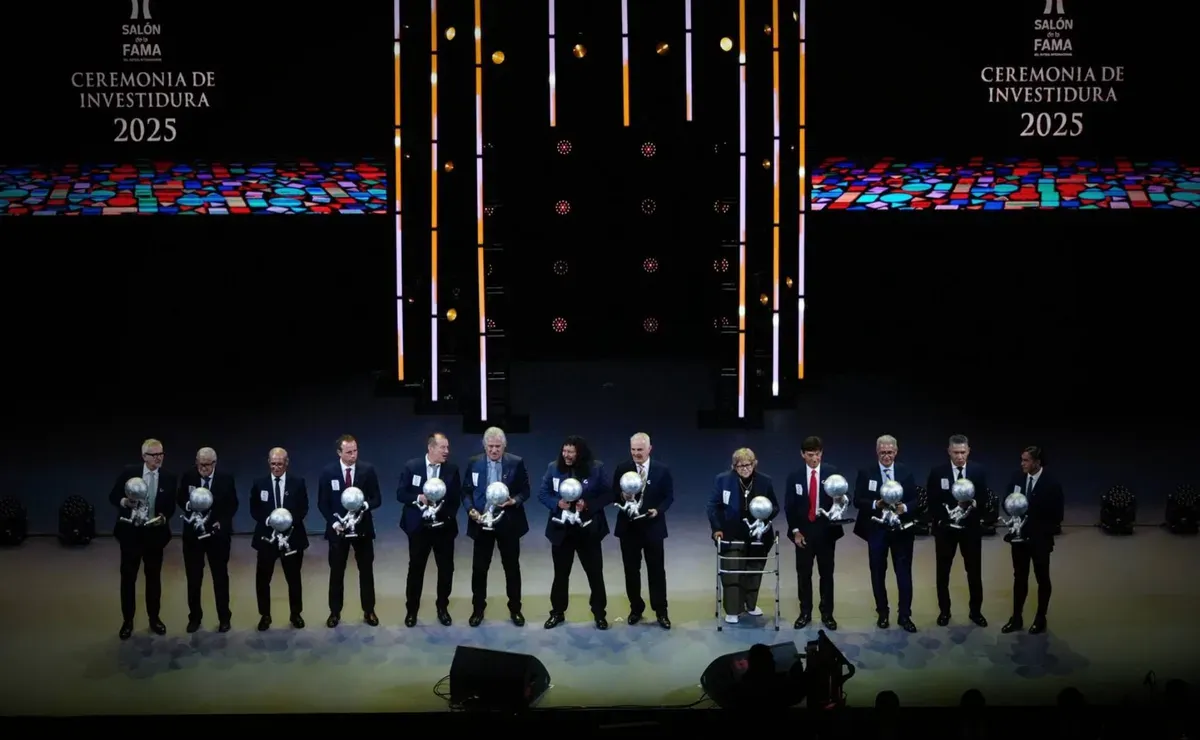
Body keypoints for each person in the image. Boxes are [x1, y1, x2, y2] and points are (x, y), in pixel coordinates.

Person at [538, 435, 610, 629]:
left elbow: (607, 494)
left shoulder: (596, 468)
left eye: (571, 452)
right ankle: (557, 613)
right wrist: (557, 504)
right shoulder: (553, 468)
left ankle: (599, 614)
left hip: (588, 531)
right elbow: (543, 493)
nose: (566, 455)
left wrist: (587, 505)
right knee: (560, 575)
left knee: (595, 574)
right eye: (564, 451)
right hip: (562, 532)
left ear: (580, 453)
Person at [462, 427, 530, 627]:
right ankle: (478, 610)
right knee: (479, 569)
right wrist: (470, 511)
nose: (494, 450)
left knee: (511, 568)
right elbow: (466, 491)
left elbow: (525, 490)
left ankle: (515, 609)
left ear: (504, 446)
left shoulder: (515, 463)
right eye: (490, 446)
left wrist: (513, 501)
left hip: (508, 524)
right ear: (484, 446)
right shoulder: (474, 463)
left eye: (497, 447)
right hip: (482, 522)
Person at [110, 438, 177, 639]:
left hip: (154, 536)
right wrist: (125, 502)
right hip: (131, 534)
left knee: (153, 579)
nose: (159, 458)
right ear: (144, 457)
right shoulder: (129, 472)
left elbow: (171, 506)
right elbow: (113, 496)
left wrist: (164, 517)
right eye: (154, 455)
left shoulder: (169, 477)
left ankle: (154, 618)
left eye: (161, 454)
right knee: (128, 579)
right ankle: (127, 621)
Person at [852, 434, 918, 632]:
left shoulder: (905, 472)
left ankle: (905, 616)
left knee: (904, 574)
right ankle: (883, 613)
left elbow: (916, 500)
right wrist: (875, 504)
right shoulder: (866, 472)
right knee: (878, 573)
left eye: (890, 452)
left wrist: (904, 508)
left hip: (902, 532)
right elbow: (857, 500)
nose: (886, 456)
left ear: (896, 452)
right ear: (877, 453)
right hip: (877, 530)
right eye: (883, 453)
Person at [706, 448, 780, 625]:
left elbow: (774, 507)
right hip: (732, 533)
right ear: (734, 467)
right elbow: (712, 506)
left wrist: (765, 519)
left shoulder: (765, 481)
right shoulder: (723, 480)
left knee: (754, 570)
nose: (745, 468)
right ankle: (733, 610)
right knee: (732, 572)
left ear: (755, 463)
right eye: (740, 466)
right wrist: (717, 528)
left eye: (748, 464)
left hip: (758, 535)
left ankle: (750, 605)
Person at [317, 434, 383, 628]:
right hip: (338, 531)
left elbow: (377, 498)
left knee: (366, 572)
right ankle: (334, 612)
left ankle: (369, 610)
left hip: (362, 529)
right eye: (348, 452)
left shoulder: (367, 470)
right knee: (337, 572)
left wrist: (364, 505)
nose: (353, 455)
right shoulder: (328, 472)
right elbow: (322, 502)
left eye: (355, 451)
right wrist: (333, 523)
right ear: (339, 453)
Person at [611, 432, 674, 629]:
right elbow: (613, 493)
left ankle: (661, 611)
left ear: (649, 449)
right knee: (631, 571)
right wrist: (622, 495)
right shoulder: (623, 468)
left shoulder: (662, 470)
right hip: (628, 529)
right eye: (633, 450)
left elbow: (669, 496)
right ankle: (636, 609)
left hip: (653, 528)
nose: (636, 453)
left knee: (656, 571)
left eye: (640, 449)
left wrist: (659, 510)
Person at [398, 433, 462, 626]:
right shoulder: (412, 467)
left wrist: (445, 516)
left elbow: (455, 498)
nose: (446, 452)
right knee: (416, 569)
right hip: (419, 528)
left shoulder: (452, 470)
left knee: (446, 570)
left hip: (443, 528)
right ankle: (412, 611)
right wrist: (419, 498)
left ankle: (442, 608)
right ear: (431, 448)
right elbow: (401, 494)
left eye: (448, 448)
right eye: (443, 448)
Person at [1001, 445, 1063, 635]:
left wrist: (1036, 528)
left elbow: (1057, 516)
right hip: (1019, 540)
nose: (1022, 464)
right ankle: (1016, 618)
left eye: (1026, 460)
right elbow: (1007, 501)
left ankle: (1040, 618)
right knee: (1019, 578)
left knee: (1042, 579)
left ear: (1037, 462)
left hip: (1039, 542)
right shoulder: (1017, 477)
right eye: (1022, 459)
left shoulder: (1051, 483)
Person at [928, 434, 988, 627]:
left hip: (970, 530)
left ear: (968, 451)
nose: (960, 457)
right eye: (956, 453)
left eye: (963, 452)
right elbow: (932, 501)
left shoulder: (978, 471)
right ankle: (944, 611)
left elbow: (985, 500)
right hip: (946, 532)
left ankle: (976, 612)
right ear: (949, 452)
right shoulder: (938, 472)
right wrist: (947, 517)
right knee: (943, 573)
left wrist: (971, 505)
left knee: (974, 572)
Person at [177, 446, 238, 633]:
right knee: (194, 579)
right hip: (193, 537)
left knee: (220, 578)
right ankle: (194, 617)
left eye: (207, 465)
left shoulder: (226, 479)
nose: (202, 468)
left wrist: (222, 522)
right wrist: (190, 505)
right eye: (200, 464)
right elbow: (180, 498)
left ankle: (224, 618)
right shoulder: (189, 476)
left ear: (214, 464)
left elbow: (232, 505)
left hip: (217, 537)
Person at [784, 435, 842, 630]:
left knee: (827, 575)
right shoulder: (794, 476)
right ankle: (805, 612)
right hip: (804, 534)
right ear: (802, 455)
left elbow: (843, 496)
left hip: (826, 533)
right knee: (804, 575)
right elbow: (789, 507)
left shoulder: (832, 473)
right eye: (810, 455)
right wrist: (796, 532)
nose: (815, 459)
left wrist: (841, 505)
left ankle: (827, 614)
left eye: (817, 454)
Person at [250, 447, 309, 631]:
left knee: (293, 579)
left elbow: (303, 508)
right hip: (267, 539)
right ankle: (265, 615)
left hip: (292, 537)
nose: (276, 467)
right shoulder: (259, 483)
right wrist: (269, 521)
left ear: (287, 463)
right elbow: (255, 509)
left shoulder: (298, 483)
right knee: (262, 580)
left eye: (280, 464)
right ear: (269, 463)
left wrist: (288, 523)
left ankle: (295, 614)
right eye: (273, 464)